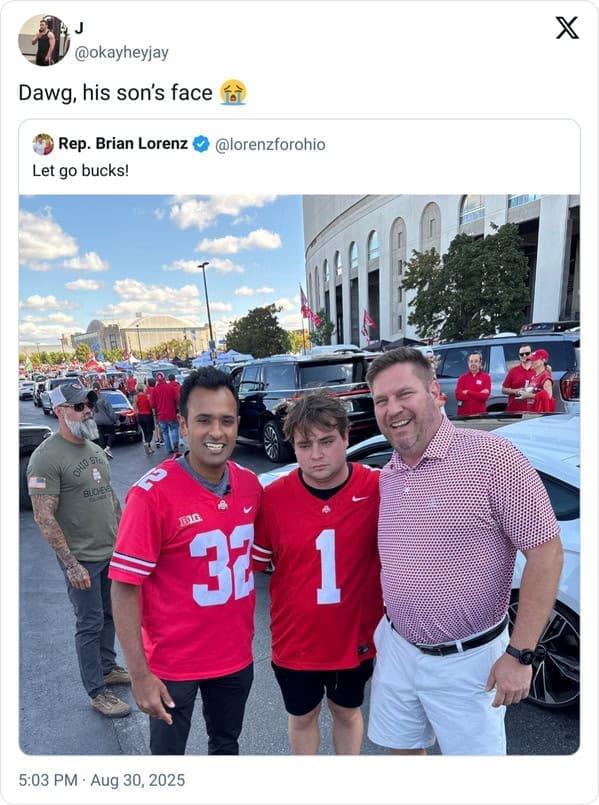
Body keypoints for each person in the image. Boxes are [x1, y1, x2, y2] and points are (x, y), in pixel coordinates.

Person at [364, 348, 563, 755]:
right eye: (381, 400)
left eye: (404, 394)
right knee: (401, 754)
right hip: (398, 650)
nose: (393, 409)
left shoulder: (493, 459)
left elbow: (547, 554)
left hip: (469, 663)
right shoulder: (389, 474)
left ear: (434, 391)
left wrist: (520, 655)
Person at [109, 368, 262, 755]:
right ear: (182, 424)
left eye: (226, 421)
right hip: (173, 665)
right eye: (204, 420)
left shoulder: (250, 485)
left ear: (237, 423)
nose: (217, 432)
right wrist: (139, 675)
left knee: (226, 747)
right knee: (168, 763)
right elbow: (124, 587)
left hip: (234, 656)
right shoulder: (151, 496)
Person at [252, 392, 382, 755]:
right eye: (304, 445)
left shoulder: (375, 489)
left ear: (346, 437)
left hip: (354, 637)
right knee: (302, 716)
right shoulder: (274, 498)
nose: (316, 454)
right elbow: (256, 564)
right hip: (296, 640)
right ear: (293, 446)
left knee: (347, 712)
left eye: (327, 441)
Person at [27, 382, 131, 719]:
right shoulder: (46, 458)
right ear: (60, 412)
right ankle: (97, 691)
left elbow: (109, 497)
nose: (87, 411)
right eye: (78, 406)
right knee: (89, 623)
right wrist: (71, 564)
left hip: (110, 551)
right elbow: (44, 516)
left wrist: (124, 540)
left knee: (110, 615)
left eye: (89, 404)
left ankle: (108, 668)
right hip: (82, 558)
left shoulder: (93, 448)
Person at [454, 351, 491, 415]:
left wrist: (468, 392)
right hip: (464, 415)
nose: (473, 363)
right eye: (471, 361)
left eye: (476, 361)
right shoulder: (462, 378)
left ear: (480, 363)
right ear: (468, 363)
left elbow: (484, 397)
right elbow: (458, 396)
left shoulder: (486, 378)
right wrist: (478, 394)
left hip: (479, 415)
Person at [151, 371, 180, 454]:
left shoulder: (155, 390)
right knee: (174, 429)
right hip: (171, 413)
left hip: (161, 415)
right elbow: (177, 398)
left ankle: (168, 449)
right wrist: (177, 408)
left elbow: (152, 404)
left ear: (157, 379)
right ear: (164, 378)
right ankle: (175, 443)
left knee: (165, 433)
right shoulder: (170, 387)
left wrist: (155, 414)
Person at [502, 345, 536, 412]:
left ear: (532, 354)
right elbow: (504, 389)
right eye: (521, 354)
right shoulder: (513, 371)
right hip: (514, 410)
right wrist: (516, 391)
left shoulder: (536, 370)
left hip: (532, 411)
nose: (524, 355)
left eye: (527, 353)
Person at [92, 383, 118, 459]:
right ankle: (108, 447)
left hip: (97, 420)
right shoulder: (103, 398)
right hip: (106, 420)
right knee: (112, 433)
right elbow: (110, 411)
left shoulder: (91, 400)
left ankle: (103, 450)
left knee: (101, 435)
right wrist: (115, 419)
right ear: (99, 389)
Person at [132, 383, 155, 455]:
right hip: (148, 415)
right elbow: (151, 406)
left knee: (145, 432)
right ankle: (148, 443)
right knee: (150, 431)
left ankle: (149, 447)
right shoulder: (147, 396)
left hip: (140, 416)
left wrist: (137, 412)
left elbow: (134, 408)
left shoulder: (136, 397)